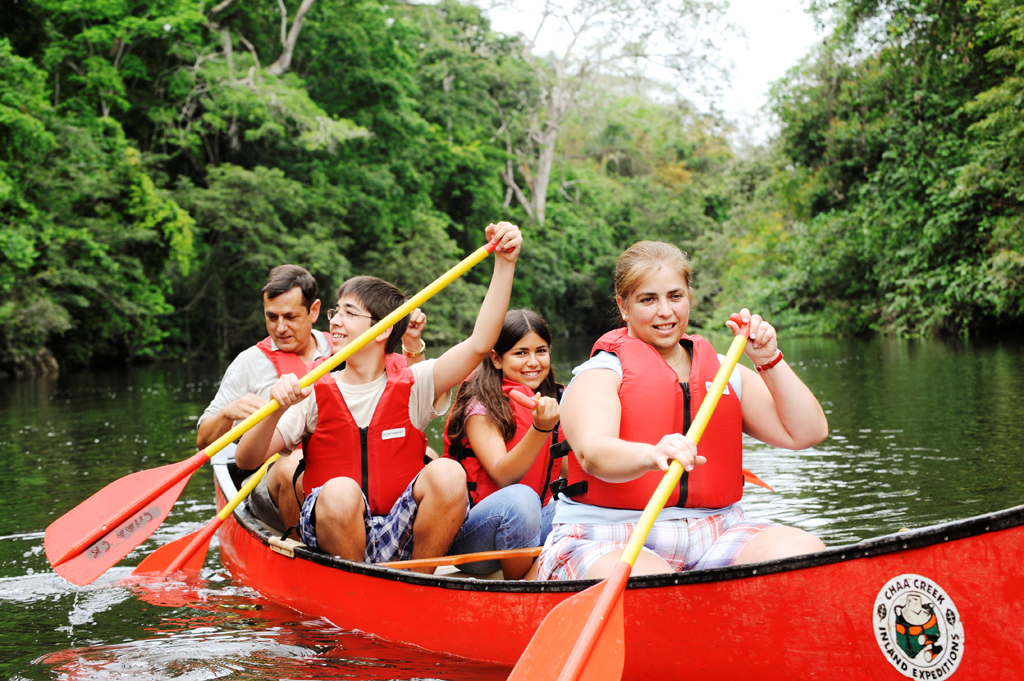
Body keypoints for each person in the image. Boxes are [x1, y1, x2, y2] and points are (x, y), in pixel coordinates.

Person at [234, 223, 523, 574]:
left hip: (397, 527)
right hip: (336, 530)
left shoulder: (416, 382)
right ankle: (357, 587)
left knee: (448, 472)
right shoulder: (313, 387)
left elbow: (479, 344)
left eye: (349, 313)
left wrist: (505, 263)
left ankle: (418, 583)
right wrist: (275, 409)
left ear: (383, 329)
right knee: (340, 490)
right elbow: (247, 460)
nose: (335, 321)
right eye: (335, 311)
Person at [537, 240, 829, 581]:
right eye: (648, 299)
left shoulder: (724, 371)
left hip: (715, 531)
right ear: (624, 305)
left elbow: (807, 433)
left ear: (689, 296)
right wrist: (650, 454)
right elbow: (592, 454)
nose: (665, 311)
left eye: (675, 296)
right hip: (609, 535)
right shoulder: (601, 373)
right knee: (653, 584)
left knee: (803, 553)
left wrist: (768, 360)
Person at [197, 264, 427, 533]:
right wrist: (227, 414)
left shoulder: (348, 345)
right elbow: (204, 442)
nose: (280, 327)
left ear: (314, 311)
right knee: (292, 465)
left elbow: (407, 388)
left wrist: (412, 343)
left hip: (337, 464)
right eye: (272, 317)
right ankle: (300, 549)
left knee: (426, 455)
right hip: (268, 471)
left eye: (290, 317)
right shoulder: (248, 363)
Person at [443, 309, 564, 579]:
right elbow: (504, 475)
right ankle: (521, 587)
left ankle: (546, 571)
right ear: (497, 359)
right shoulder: (479, 406)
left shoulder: (553, 400)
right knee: (521, 499)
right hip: (476, 542)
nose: (533, 362)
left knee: (580, 503)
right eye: (520, 353)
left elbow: (571, 470)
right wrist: (541, 428)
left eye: (541, 351)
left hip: (531, 528)